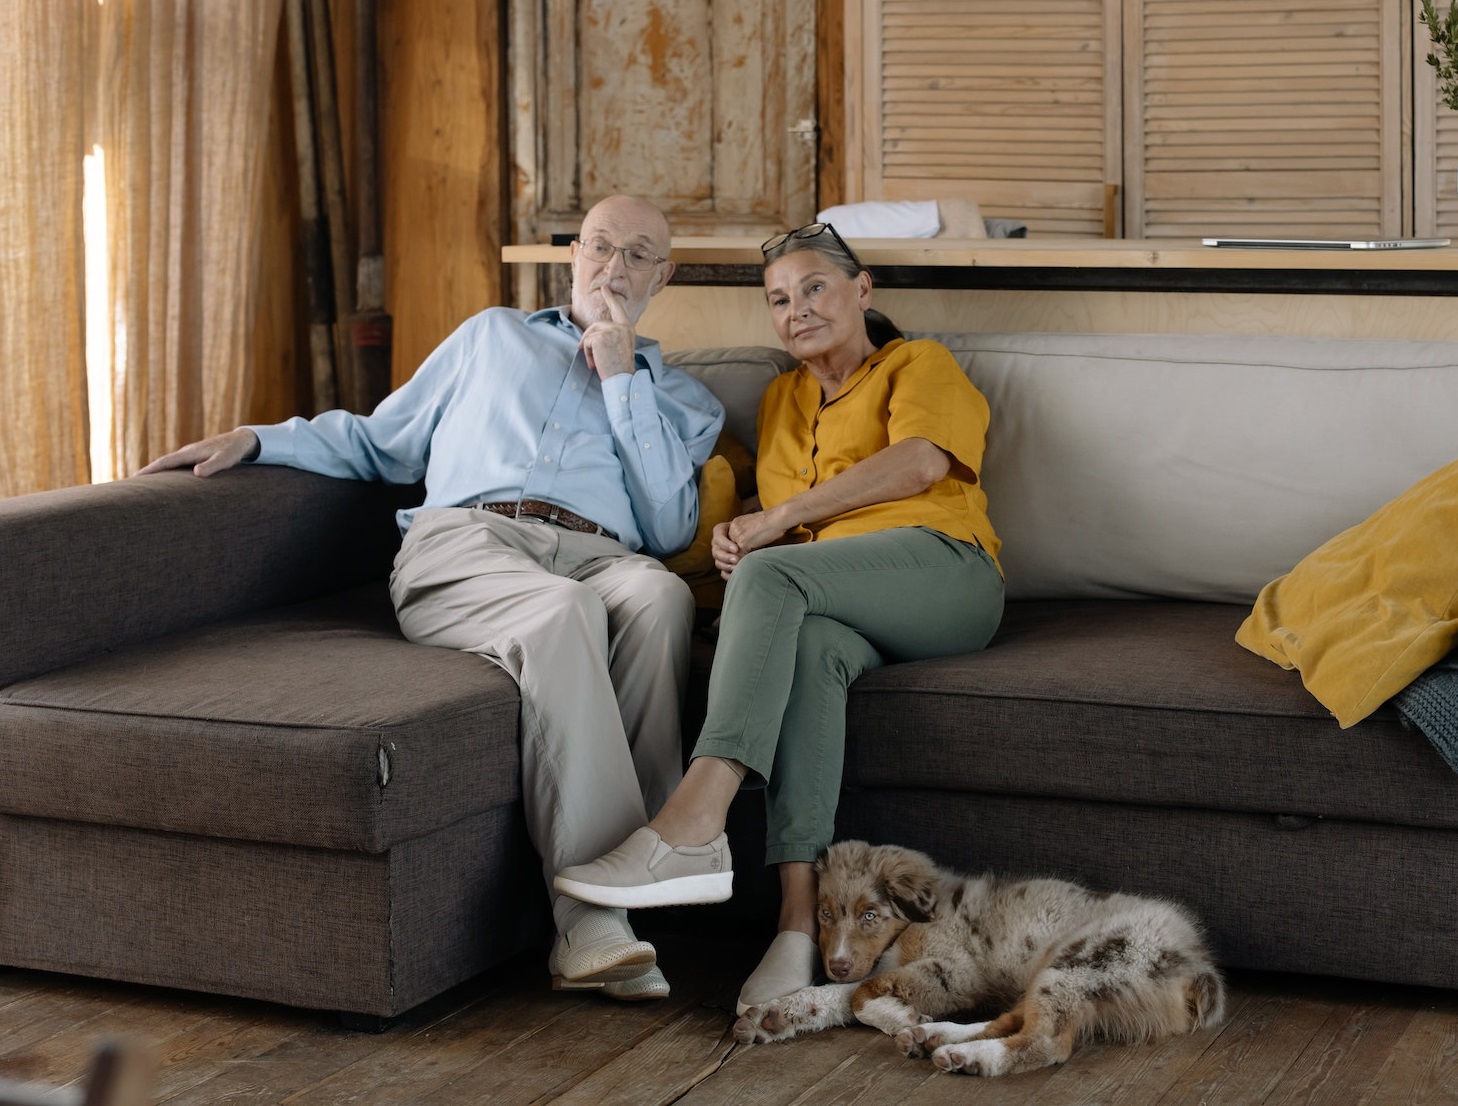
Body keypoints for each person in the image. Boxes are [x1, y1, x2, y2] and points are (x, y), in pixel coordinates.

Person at [139, 195, 726, 1001]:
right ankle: (586, 918)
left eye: (635, 255)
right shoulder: (491, 336)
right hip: (470, 543)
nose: (612, 269)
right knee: (563, 614)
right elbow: (382, 440)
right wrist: (259, 439)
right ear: (572, 257)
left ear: (664, 275)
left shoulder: (685, 401)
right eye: (599, 247)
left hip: (600, 552)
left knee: (658, 598)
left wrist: (623, 377)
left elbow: (665, 526)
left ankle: (648, 861)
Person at [553, 221, 1005, 1014]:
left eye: (815, 288)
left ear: (861, 291)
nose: (796, 309)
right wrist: (738, 526)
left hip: (944, 570)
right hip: (839, 600)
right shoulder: (783, 398)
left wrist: (773, 527)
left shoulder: (915, 363)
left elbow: (922, 461)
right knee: (810, 655)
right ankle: (798, 927)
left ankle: (692, 823)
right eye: (778, 300)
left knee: (771, 571)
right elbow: (783, 524)